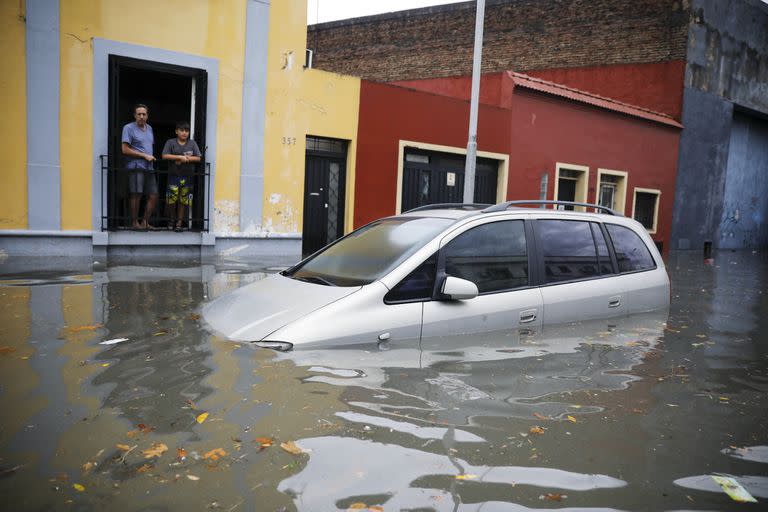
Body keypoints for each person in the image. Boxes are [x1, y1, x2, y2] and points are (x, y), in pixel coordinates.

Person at [121, 104, 157, 230]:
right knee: (136, 194)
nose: (141, 116)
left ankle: (145, 222)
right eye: (139, 114)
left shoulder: (150, 128)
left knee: (153, 195)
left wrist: (148, 157)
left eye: (144, 114)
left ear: (147, 115)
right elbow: (124, 150)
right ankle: (135, 223)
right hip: (136, 166)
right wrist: (144, 155)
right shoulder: (128, 128)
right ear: (134, 115)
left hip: (149, 167)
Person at [162, 121, 201, 231]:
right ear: (176, 131)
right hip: (173, 175)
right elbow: (164, 155)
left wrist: (186, 159)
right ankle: (171, 221)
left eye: (187, 131)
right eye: (182, 130)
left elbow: (198, 158)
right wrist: (179, 157)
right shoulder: (171, 142)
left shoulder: (192, 144)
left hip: (188, 176)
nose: (184, 133)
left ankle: (179, 223)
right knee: (172, 200)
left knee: (183, 201)